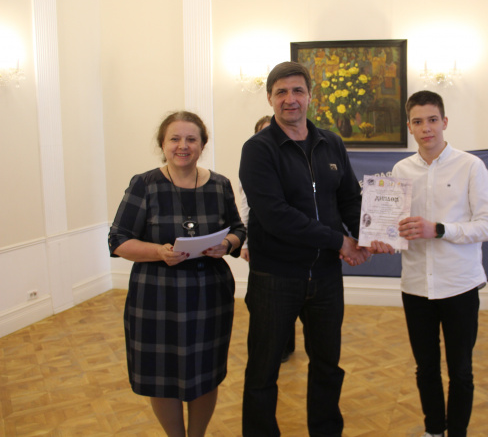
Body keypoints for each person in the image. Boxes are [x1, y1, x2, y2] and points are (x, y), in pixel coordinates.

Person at [238, 61, 370, 437]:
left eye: (297, 90)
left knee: (328, 366)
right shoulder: (258, 149)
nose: (290, 99)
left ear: (311, 96)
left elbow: (350, 199)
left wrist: (369, 233)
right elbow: (276, 216)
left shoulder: (331, 142)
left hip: (326, 277)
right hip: (275, 277)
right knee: (263, 371)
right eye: (281, 92)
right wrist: (340, 241)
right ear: (269, 98)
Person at [108, 111, 246, 437]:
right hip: (156, 295)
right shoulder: (144, 184)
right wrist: (159, 251)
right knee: (161, 374)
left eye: (191, 139)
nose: (183, 146)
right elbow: (118, 241)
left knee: (205, 373)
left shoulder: (219, 185)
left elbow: (239, 229)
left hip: (209, 295)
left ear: (202, 145)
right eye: (175, 138)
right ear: (163, 144)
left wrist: (226, 243)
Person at [374, 90, 488, 437]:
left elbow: (487, 226)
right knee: (425, 368)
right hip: (415, 285)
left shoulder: (471, 166)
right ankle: (433, 430)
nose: (426, 128)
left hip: (459, 284)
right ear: (409, 127)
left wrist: (439, 229)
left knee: (461, 371)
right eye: (418, 122)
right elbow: (394, 226)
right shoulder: (401, 170)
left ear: (444, 122)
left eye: (432, 120)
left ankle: (456, 432)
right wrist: (383, 239)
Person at [237, 114, 297, 363]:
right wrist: (245, 242)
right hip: (262, 245)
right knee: (264, 302)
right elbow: (245, 206)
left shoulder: (293, 164)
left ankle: (287, 344)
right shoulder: (254, 165)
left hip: (295, 245)